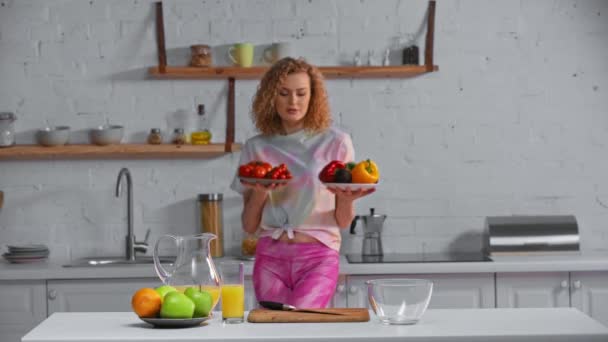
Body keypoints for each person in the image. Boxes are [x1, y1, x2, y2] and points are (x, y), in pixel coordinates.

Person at [231, 57, 375, 308]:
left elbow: (342, 221)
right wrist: (261, 192)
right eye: (284, 93)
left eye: (301, 93)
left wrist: (347, 199)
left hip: (318, 256)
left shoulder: (336, 141)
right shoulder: (256, 146)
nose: (293, 101)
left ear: (313, 96)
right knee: (272, 332)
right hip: (270, 256)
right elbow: (249, 225)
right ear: (270, 97)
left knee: (302, 326)